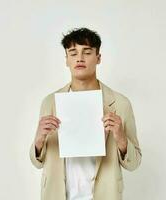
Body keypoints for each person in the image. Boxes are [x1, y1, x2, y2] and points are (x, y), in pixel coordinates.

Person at [29, 27, 142, 200]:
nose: (80, 58)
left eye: (87, 52)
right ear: (66, 60)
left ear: (98, 58)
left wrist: (120, 138)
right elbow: (37, 162)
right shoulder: (50, 102)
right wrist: (38, 140)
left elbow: (134, 164)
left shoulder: (120, 104)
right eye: (73, 53)